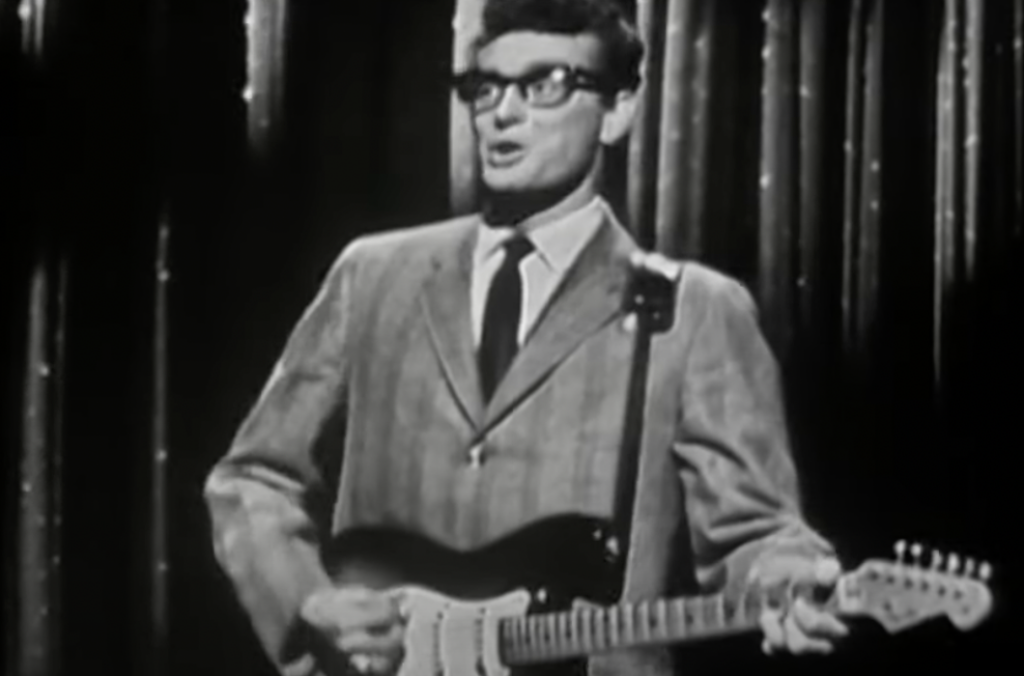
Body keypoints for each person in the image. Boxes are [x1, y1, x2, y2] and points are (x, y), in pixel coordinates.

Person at [204, 0, 849, 674]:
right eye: (486, 88)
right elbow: (252, 478)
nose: (503, 113)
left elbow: (755, 532)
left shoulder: (695, 310)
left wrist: (790, 579)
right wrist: (309, 602)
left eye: (545, 85)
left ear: (620, 109)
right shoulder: (372, 276)